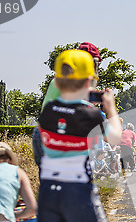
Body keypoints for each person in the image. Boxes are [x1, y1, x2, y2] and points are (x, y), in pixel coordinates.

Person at [15, 50, 134, 222]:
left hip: (49, 190)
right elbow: (115, 138)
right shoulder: (89, 115)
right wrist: (110, 108)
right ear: (88, 82)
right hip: (78, 189)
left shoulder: (47, 113)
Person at [33, 42, 103, 172]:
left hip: (43, 133)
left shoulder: (58, 80)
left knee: (51, 181)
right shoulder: (78, 84)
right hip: (59, 136)